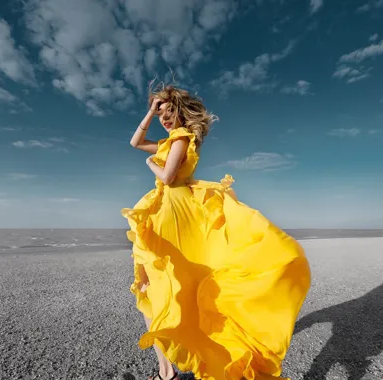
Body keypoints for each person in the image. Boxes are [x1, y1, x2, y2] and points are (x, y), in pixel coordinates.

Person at [121, 84, 312, 380]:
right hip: (164, 213)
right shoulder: (167, 141)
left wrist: (150, 163)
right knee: (152, 288)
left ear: (182, 112)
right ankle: (166, 369)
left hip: (177, 213)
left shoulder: (181, 139)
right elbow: (135, 141)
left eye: (170, 112)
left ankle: (184, 364)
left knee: (171, 285)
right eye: (162, 114)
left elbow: (168, 177)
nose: (165, 119)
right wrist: (150, 111)